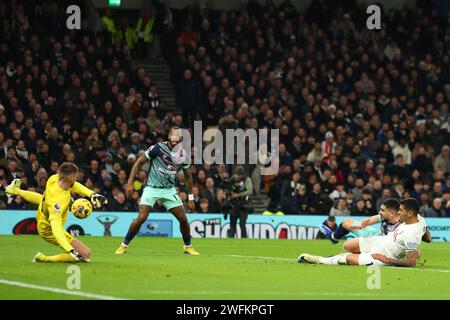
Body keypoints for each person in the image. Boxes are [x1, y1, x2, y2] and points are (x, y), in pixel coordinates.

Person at [115, 127, 199, 255]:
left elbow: (188, 177)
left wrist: (191, 198)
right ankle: (123, 245)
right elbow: (138, 163)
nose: (175, 137)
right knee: (141, 218)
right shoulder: (157, 148)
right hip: (151, 188)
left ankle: (188, 247)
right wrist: (130, 183)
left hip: (169, 190)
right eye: (172, 135)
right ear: (169, 136)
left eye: (178, 135)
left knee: (183, 218)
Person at [5, 163, 107, 263]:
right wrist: (70, 250)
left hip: (44, 211)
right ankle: (43, 258)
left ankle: (14, 190)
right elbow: (56, 229)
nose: (76, 180)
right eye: (75, 178)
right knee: (85, 253)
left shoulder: (54, 179)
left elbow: (75, 185)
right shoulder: (57, 203)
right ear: (71, 178)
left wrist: (92, 194)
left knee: (42, 200)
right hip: (48, 228)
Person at [299, 199, 431, 267]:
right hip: (380, 241)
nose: (398, 212)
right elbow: (428, 237)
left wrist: (386, 259)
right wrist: (422, 234)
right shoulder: (420, 219)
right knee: (347, 246)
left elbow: (411, 262)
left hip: (384, 254)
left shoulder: (411, 233)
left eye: (400, 211)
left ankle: (319, 260)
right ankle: (335, 249)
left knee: (347, 259)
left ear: (409, 213)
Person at [320, 198, 402, 244]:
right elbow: (369, 220)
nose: (379, 212)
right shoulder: (384, 216)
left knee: (348, 246)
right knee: (346, 222)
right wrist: (360, 225)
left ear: (391, 213)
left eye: (382, 210)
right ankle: (333, 238)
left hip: (383, 244)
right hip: (378, 237)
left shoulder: (405, 223)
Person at [227, 166, 253, 238]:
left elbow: (250, 191)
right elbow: (228, 190)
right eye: (237, 175)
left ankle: (243, 240)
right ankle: (231, 240)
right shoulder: (231, 180)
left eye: (239, 175)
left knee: (242, 224)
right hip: (233, 205)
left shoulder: (246, 180)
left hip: (243, 205)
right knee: (232, 224)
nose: (238, 176)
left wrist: (238, 195)